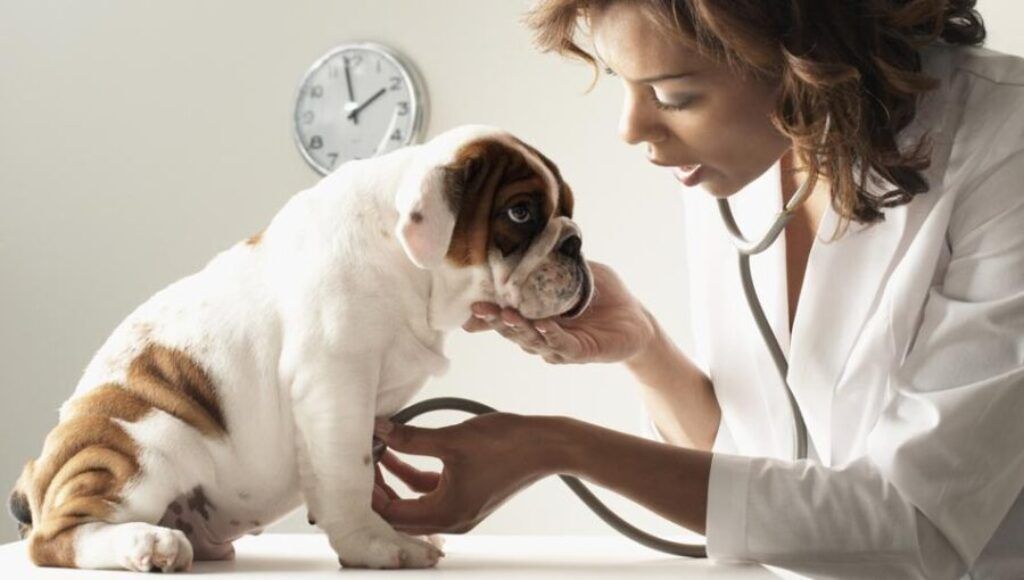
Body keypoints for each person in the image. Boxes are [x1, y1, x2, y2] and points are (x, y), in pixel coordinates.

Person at [370, 1, 1024, 578]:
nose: (632, 129)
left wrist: (559, 446)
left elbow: (915, 530)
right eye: (624, 85)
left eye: (675, 95)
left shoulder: (1006, 143)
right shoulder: (742, 161)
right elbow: (756, 482)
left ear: (807, 56)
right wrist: (644, 348)